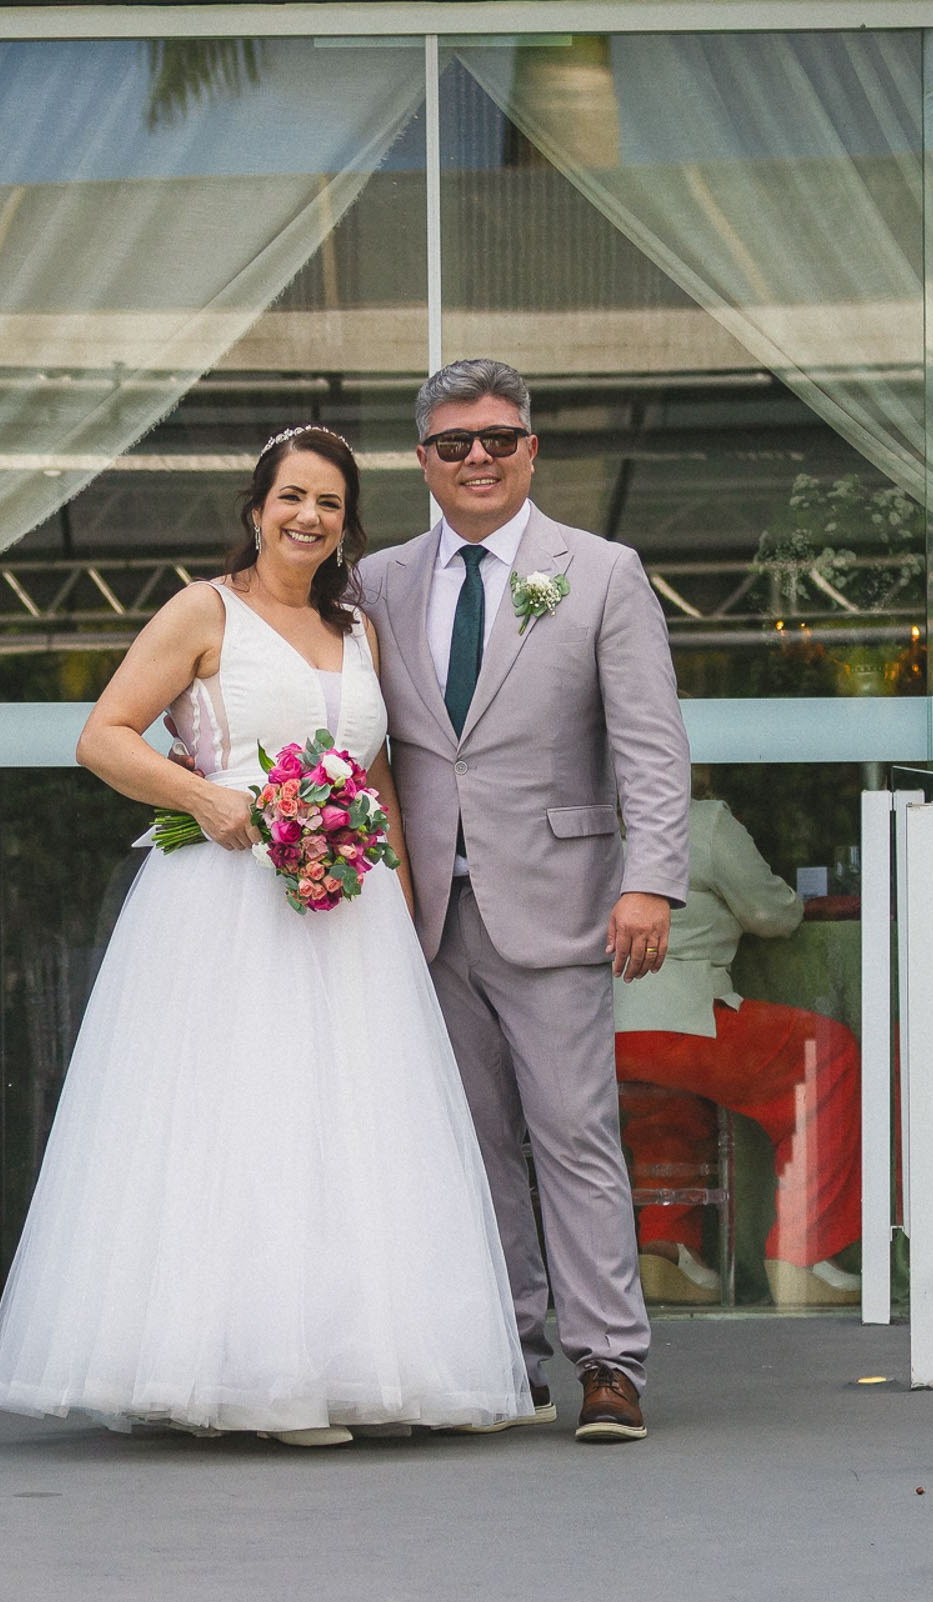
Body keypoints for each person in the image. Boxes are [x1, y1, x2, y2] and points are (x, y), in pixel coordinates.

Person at [0, 426, 531, 1447]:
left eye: (327, 501)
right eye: (291, 496)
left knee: (351, 1132)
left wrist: (401, 902)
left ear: (345, 522)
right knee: (240, 1121)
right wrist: (205, 798)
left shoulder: (358, 632)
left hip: (345, 909)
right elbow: (101, 734)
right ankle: (253, 1374)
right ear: (256, 505)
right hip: (223, 897)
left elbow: (379, 777)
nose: (307, 516)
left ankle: (357, 1363)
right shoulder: (203, 608)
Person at [356, 359, 693, 1443]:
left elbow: (650, 743)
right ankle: (508, 1350)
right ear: (423, 461)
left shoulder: (597, 572)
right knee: (471, 1141)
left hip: (559, 903)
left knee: (575, 1132)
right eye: (454, 443)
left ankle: (609, 1361)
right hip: (418, 916)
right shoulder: (377, 581)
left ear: (531, 449)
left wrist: (650, 879)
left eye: (499, 437)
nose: (478, 458)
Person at [611, 799, 863, 1310]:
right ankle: (803, 1252)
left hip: (597, 1027)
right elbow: (773, 913)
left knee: (669, 1107)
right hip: (678, 1016)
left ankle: (667, 1249)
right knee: (827, 1055)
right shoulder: (702, 821)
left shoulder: (576, 822)